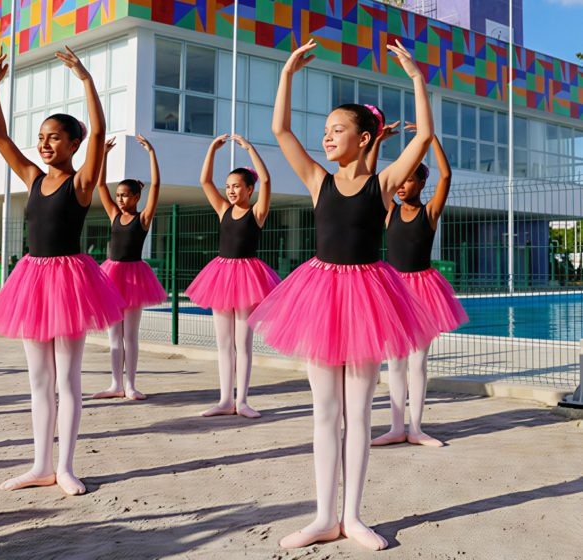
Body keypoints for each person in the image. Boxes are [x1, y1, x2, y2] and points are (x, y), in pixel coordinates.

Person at [249, 39, 438, 550]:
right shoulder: (317, 179)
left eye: (338, 130)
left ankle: (352, 517)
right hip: (320, 293)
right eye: (327, 130)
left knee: (359, 414)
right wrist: (286, 71)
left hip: (368, 295)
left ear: (364, 138)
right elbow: (280, 130)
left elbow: (422, 137)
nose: (328, 136)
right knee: (324, 413)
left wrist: (417, 79)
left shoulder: (383, 184)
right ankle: (321, 516)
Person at [0, 46, 124, 496]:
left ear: (74, 144)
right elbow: (0, 139)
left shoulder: (81, 183)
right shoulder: (32, 177)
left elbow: (99, 129)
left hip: (70, 281)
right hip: (31, 279)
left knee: (67, 378)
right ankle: (40, 463)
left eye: (54, 137)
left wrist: (85, 79)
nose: (44, 143)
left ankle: (65, 466)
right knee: (38, 381)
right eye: (41, 137)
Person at [370, 123, 468, 448]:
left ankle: (416, 428)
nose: (401, 185)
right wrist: (377, 145)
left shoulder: (430, 212)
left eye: (409, 178)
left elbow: (446, 176)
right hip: (394, 289)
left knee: (418, 361)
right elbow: (372, 183)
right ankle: (396, 427)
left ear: (421, 182)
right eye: (400, 179)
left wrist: (431, 138)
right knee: (395, 361)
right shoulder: (389, 212)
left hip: (424, 290)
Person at [186, 134, 279, 419]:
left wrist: (251, 149)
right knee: (223, 343)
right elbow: (204, 181)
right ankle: (225, 399)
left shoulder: (257, 213)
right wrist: (211, 150)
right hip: (220, 276)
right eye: (228, 187)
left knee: (243, 343)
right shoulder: (223, 209)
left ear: (249, 189)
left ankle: (243, 401)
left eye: (236, 186)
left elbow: (267, 180)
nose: (230, 191)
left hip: (249, 277)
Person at [93, 135, 165, 401]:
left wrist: (151, 153)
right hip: (112, 275)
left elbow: (156, 185)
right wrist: (104, 155)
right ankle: (115, 384)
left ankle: (131, 384)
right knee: (113, 335)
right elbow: (99, 184)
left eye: (126, 195)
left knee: (130, 336)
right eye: (118, 195)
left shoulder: (143, 218)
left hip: (135, 277)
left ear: (136, 196)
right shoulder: (113, 214)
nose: (121, 199)